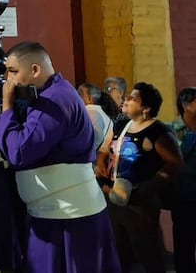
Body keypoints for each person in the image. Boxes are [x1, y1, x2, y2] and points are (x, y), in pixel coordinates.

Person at [0, 41, 120, 273]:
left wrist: (7, 108)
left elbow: (20, 152)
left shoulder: (54, 100)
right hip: (53, 213)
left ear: (35, 70)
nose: (9, 81)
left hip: (69, 216)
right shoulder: (56, 91)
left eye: (13, 71)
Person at [98, 82, 182, 273]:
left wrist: (149, 188)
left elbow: (174, 163)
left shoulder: (158, 131)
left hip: (140, 202)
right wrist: (101, 163)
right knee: (119, 251)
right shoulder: (120, 124)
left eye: (133, 98)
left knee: (147, 252)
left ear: (146, 108)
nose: (126, 100)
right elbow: (104, 149)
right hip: (113, 197)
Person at [173, 87, 196, 273]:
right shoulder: (171, 130)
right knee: (184, 248)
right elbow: (176, 159)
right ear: (186, 105)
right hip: (183, 197)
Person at [77, 82, 113, 151]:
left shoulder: (90, 111)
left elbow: (96, 138)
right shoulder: (102, 112)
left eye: (79, 95)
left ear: (89, 99)